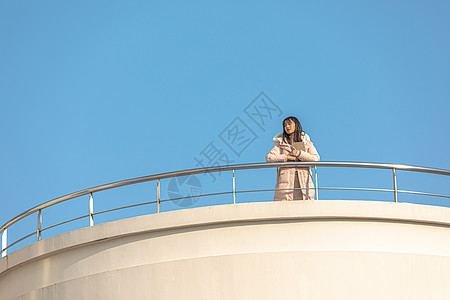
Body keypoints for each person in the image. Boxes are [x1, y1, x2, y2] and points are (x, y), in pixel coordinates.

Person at [266, 116, 320, 201]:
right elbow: (269, 158)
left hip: (304, 182)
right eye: (285, 125)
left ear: (296, 125)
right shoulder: (280, 144)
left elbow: (316, 159)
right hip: (285, 185)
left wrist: (299, 153)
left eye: (289, 124)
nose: (287, 127)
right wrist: (286, 157)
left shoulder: (307, 143)